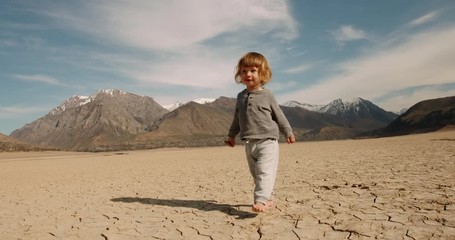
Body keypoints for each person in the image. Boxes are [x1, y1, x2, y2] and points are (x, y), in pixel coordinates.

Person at [226, 52, 295, 212]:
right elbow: (237, 118)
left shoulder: (267, 95)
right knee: (256, 174)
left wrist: (288, 132)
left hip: (267, 141)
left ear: (262, 74)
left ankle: (261, 201)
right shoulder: (240, 97)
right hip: (249, 143)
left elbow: (279, 115)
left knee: (264, 172)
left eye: (253, 71)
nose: (247, 74)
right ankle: (268, 198)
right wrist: (231, 135)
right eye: (244, 71)